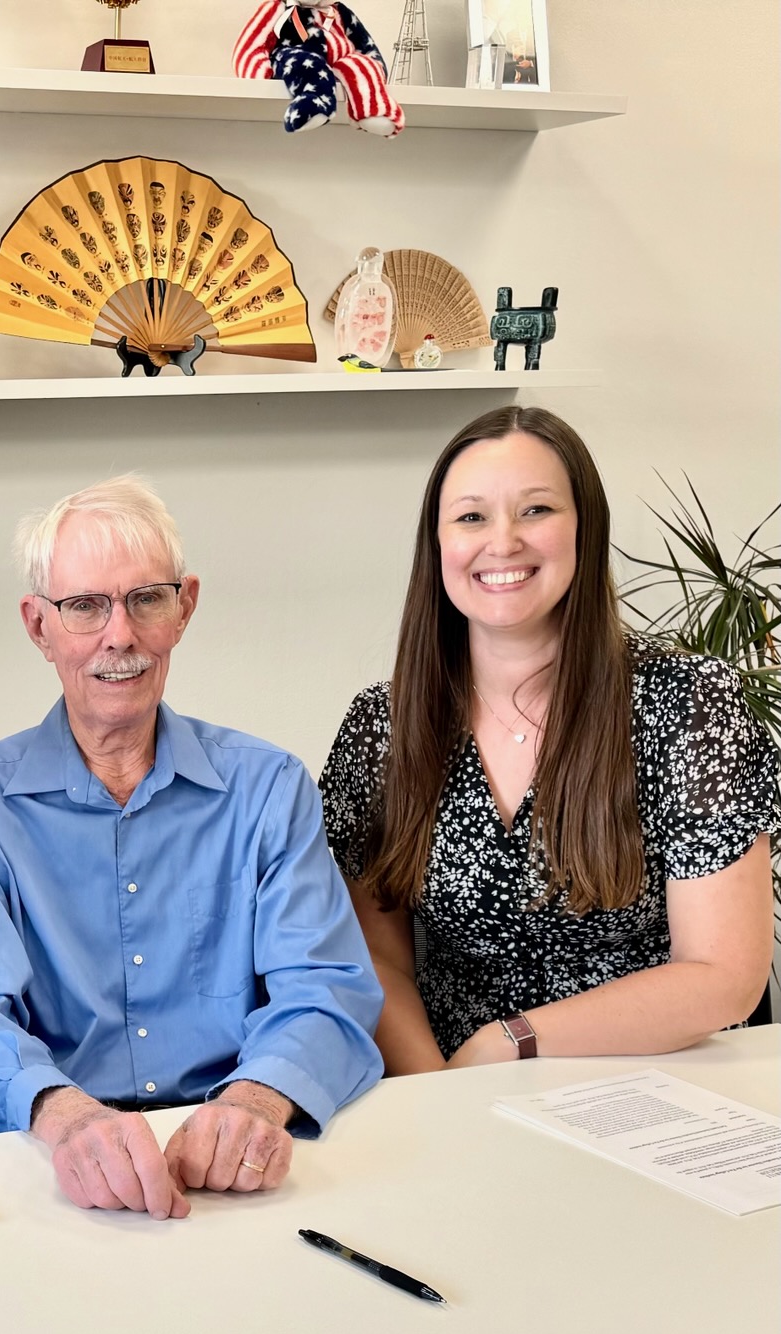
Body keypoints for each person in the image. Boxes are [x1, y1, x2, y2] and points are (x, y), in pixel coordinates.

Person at [0, 477, 383, 1220]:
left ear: (184, 608)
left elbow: (324, 986)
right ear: (38, 627)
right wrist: (66, 1117)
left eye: (145, 599)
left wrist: (258, 1100)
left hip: (239, 1145)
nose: (120, 636)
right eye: (84, 606)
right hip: (51, 1159)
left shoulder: (268, 787)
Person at [319, 406, 776, 1073]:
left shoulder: (690, 704)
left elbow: (722, 973)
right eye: (470, 517)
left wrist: (511, 1042)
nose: (501, 542)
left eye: (535, 510)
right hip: (447, 1083)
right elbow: (374, 957)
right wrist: (441, 1094)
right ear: (437, 544)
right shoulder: (380, 727)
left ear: (584, 530)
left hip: (647, 1079)